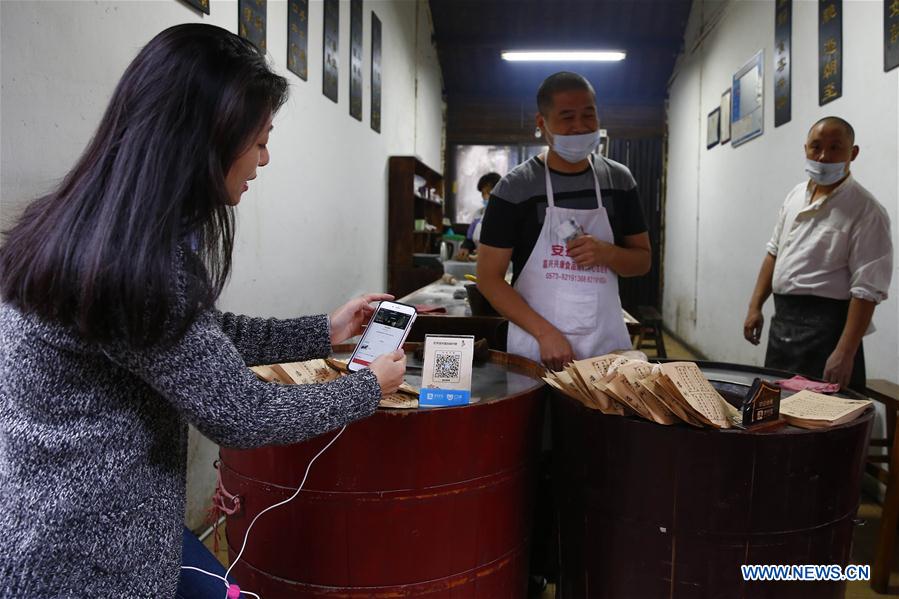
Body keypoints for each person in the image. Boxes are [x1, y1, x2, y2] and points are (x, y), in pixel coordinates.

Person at [0, 24, 407, 598]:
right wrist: (369, 386)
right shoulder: (135, 267)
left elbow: (198, 339)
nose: (264, 159)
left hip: (57, 524)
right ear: (206, 138)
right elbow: (240, 413)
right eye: (260, 139)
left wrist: (326, 330)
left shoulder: (83, 226)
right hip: (86, 557)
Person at [476, 72, 651, 371]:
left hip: (604, 349)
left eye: (589, 115)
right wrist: (545, 333)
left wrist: (607, 253)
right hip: (536, 348)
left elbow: (642, 261)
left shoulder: (618, 180)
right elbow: (488, 278)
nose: (580, 126)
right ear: (542, 123)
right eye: (567, 117)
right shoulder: (515, 188)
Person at [743, 116, 892, 391]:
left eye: (835, 147)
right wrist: (755, 307)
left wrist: (845, 352)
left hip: (830, 333)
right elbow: (773, 253)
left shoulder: (866, 210)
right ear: (806, 149)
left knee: (822, 422)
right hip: (783, 324)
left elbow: (866, 291)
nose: (824, 156)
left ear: (853, 152)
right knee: (777, 411)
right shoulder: (795, 196)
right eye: (816, 146)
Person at [455, 171, 501, 260]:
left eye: (488, 192)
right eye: (483, 193)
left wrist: (487, 251)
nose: (485, 197)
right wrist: (465, 248)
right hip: (479, 260)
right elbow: (469, 238)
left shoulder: (505, 215)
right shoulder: (478, 214)